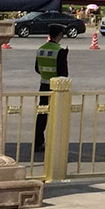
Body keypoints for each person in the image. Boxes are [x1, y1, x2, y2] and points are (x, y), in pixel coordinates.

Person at [33, 26, 69, 155]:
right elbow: (64, 73)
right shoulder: (60, 51)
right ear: (59, 35)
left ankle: (38, 141)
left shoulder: (41, 49)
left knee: (42, 114)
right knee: (56, 115)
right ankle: (55, 142)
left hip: (43, 85)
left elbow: (37, 68)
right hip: (56, 87)